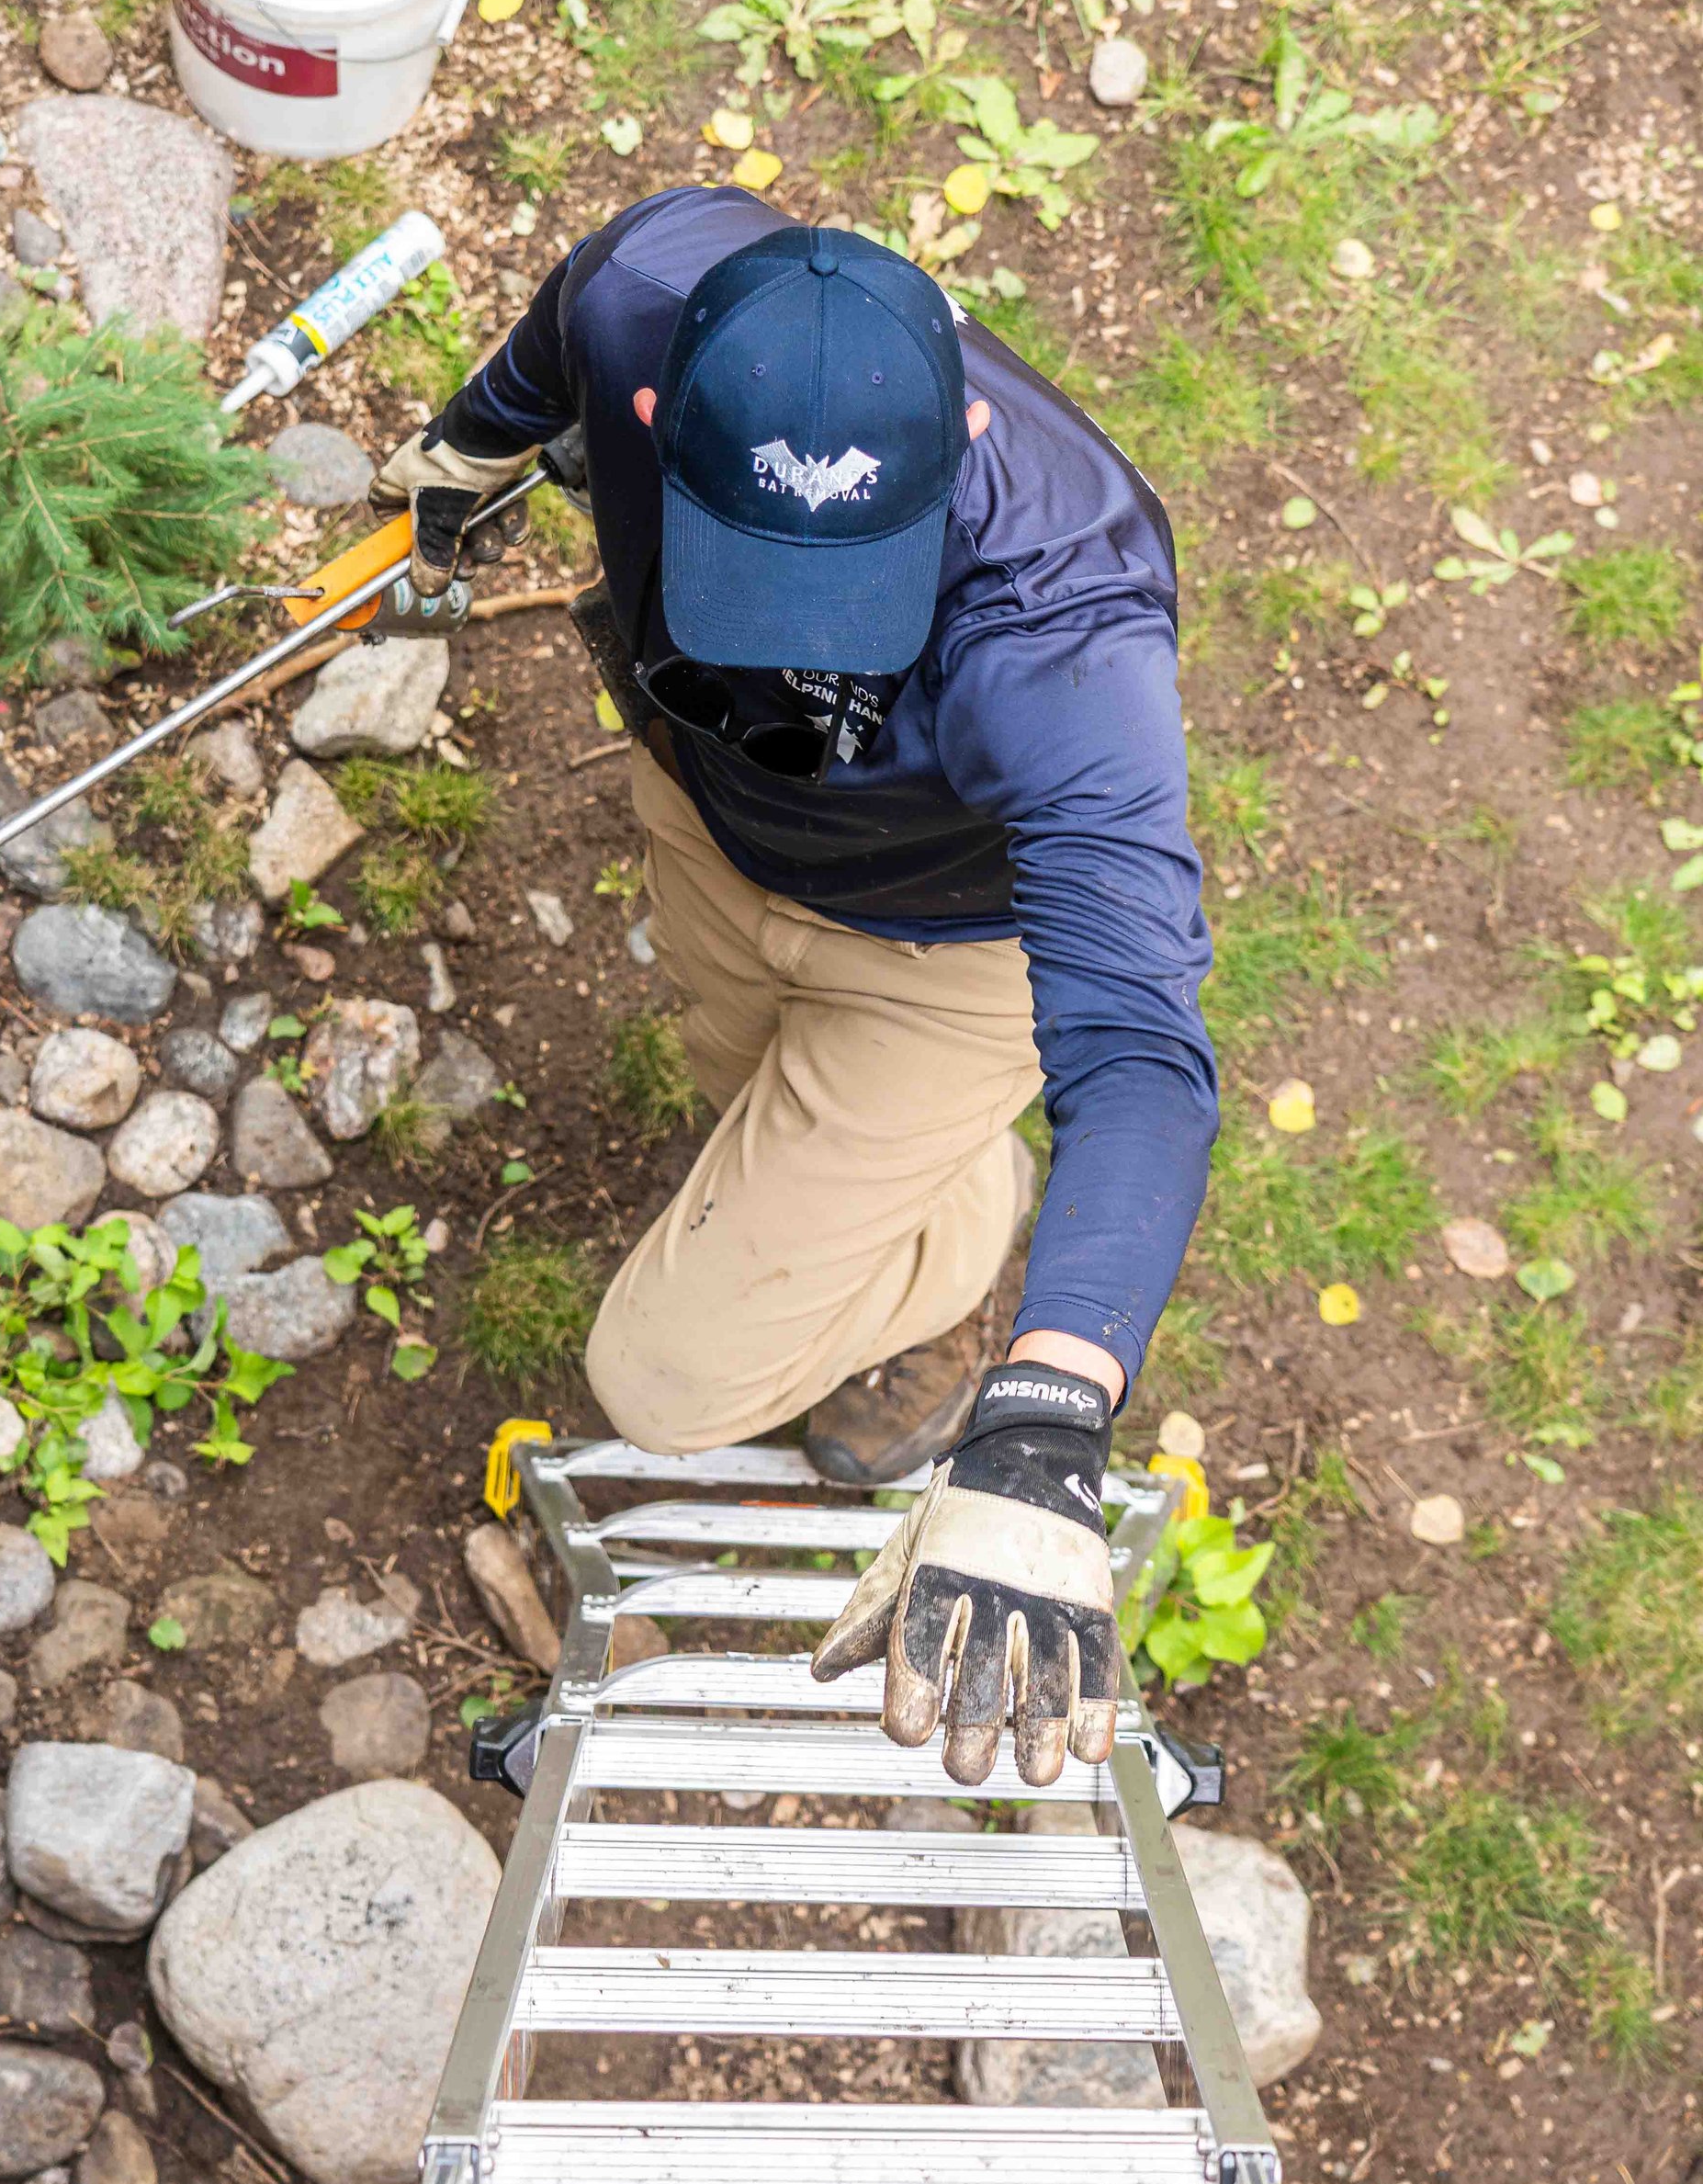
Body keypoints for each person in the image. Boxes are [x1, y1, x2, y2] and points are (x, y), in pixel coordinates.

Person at [372, 187, 1217, 1785]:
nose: (788, 645)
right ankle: (894, 1171)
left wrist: (1041, 1421)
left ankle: (960, 1236)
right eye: (747, 582)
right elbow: (550, 346)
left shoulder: (1067, 618)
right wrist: (473, 451)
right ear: (664, 399)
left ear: (956, 446)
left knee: (663, 1380)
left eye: (840, 603)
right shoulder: (643, 289)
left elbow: (1145, 1058)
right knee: (726, 1071)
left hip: (944, 961)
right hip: (709, 821)